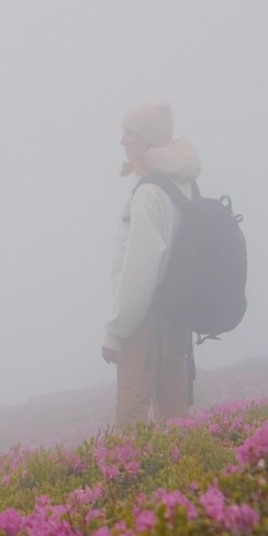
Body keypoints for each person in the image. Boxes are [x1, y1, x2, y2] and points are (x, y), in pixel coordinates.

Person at [102, 101, 202, 431]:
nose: (123, 141)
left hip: (146, 322)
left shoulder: (149, 194)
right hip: (179, 317)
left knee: (130, 426)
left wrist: (115, 332)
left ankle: (133, 483)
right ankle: (187, 479)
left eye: (129, 133)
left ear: (147, 138)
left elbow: (140, 272)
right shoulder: (183, 184)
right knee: (175, 417)